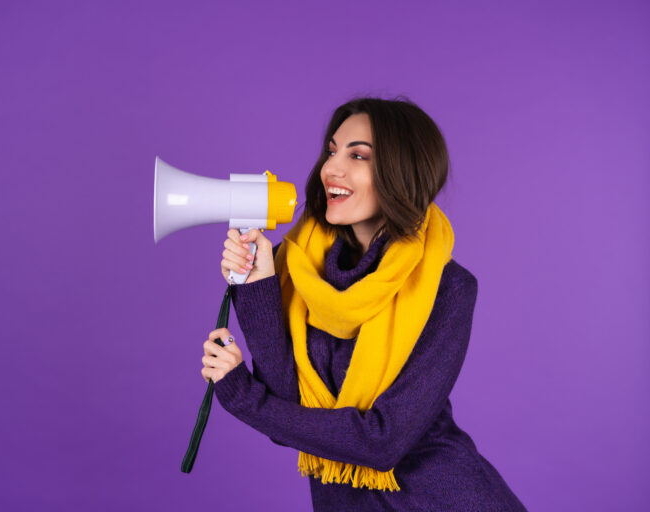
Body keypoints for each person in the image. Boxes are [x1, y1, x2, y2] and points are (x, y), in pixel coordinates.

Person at [200, 97, 527, 511]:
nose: (330, 168)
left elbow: (382, 441)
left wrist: (244, 398)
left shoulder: (448, 288)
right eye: (333, 150)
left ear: (402, 172)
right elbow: (289, 410)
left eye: (358, 155)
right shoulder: (300, 268)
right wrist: (259, 283)